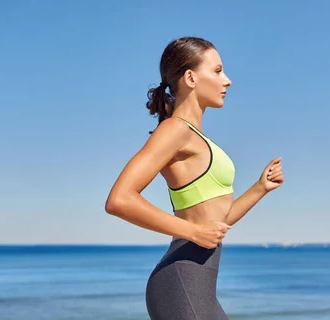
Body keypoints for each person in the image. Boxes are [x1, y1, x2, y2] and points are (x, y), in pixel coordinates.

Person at [104, 36, 284, 320]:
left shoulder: (196, 137)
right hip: (181, 280)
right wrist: (192, 232)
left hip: (200, 284)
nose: (227, 81)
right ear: (190, 77)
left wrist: (260, 188)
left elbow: (214, 223)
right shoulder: (174, 130)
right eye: (217, 71)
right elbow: (119, 200)